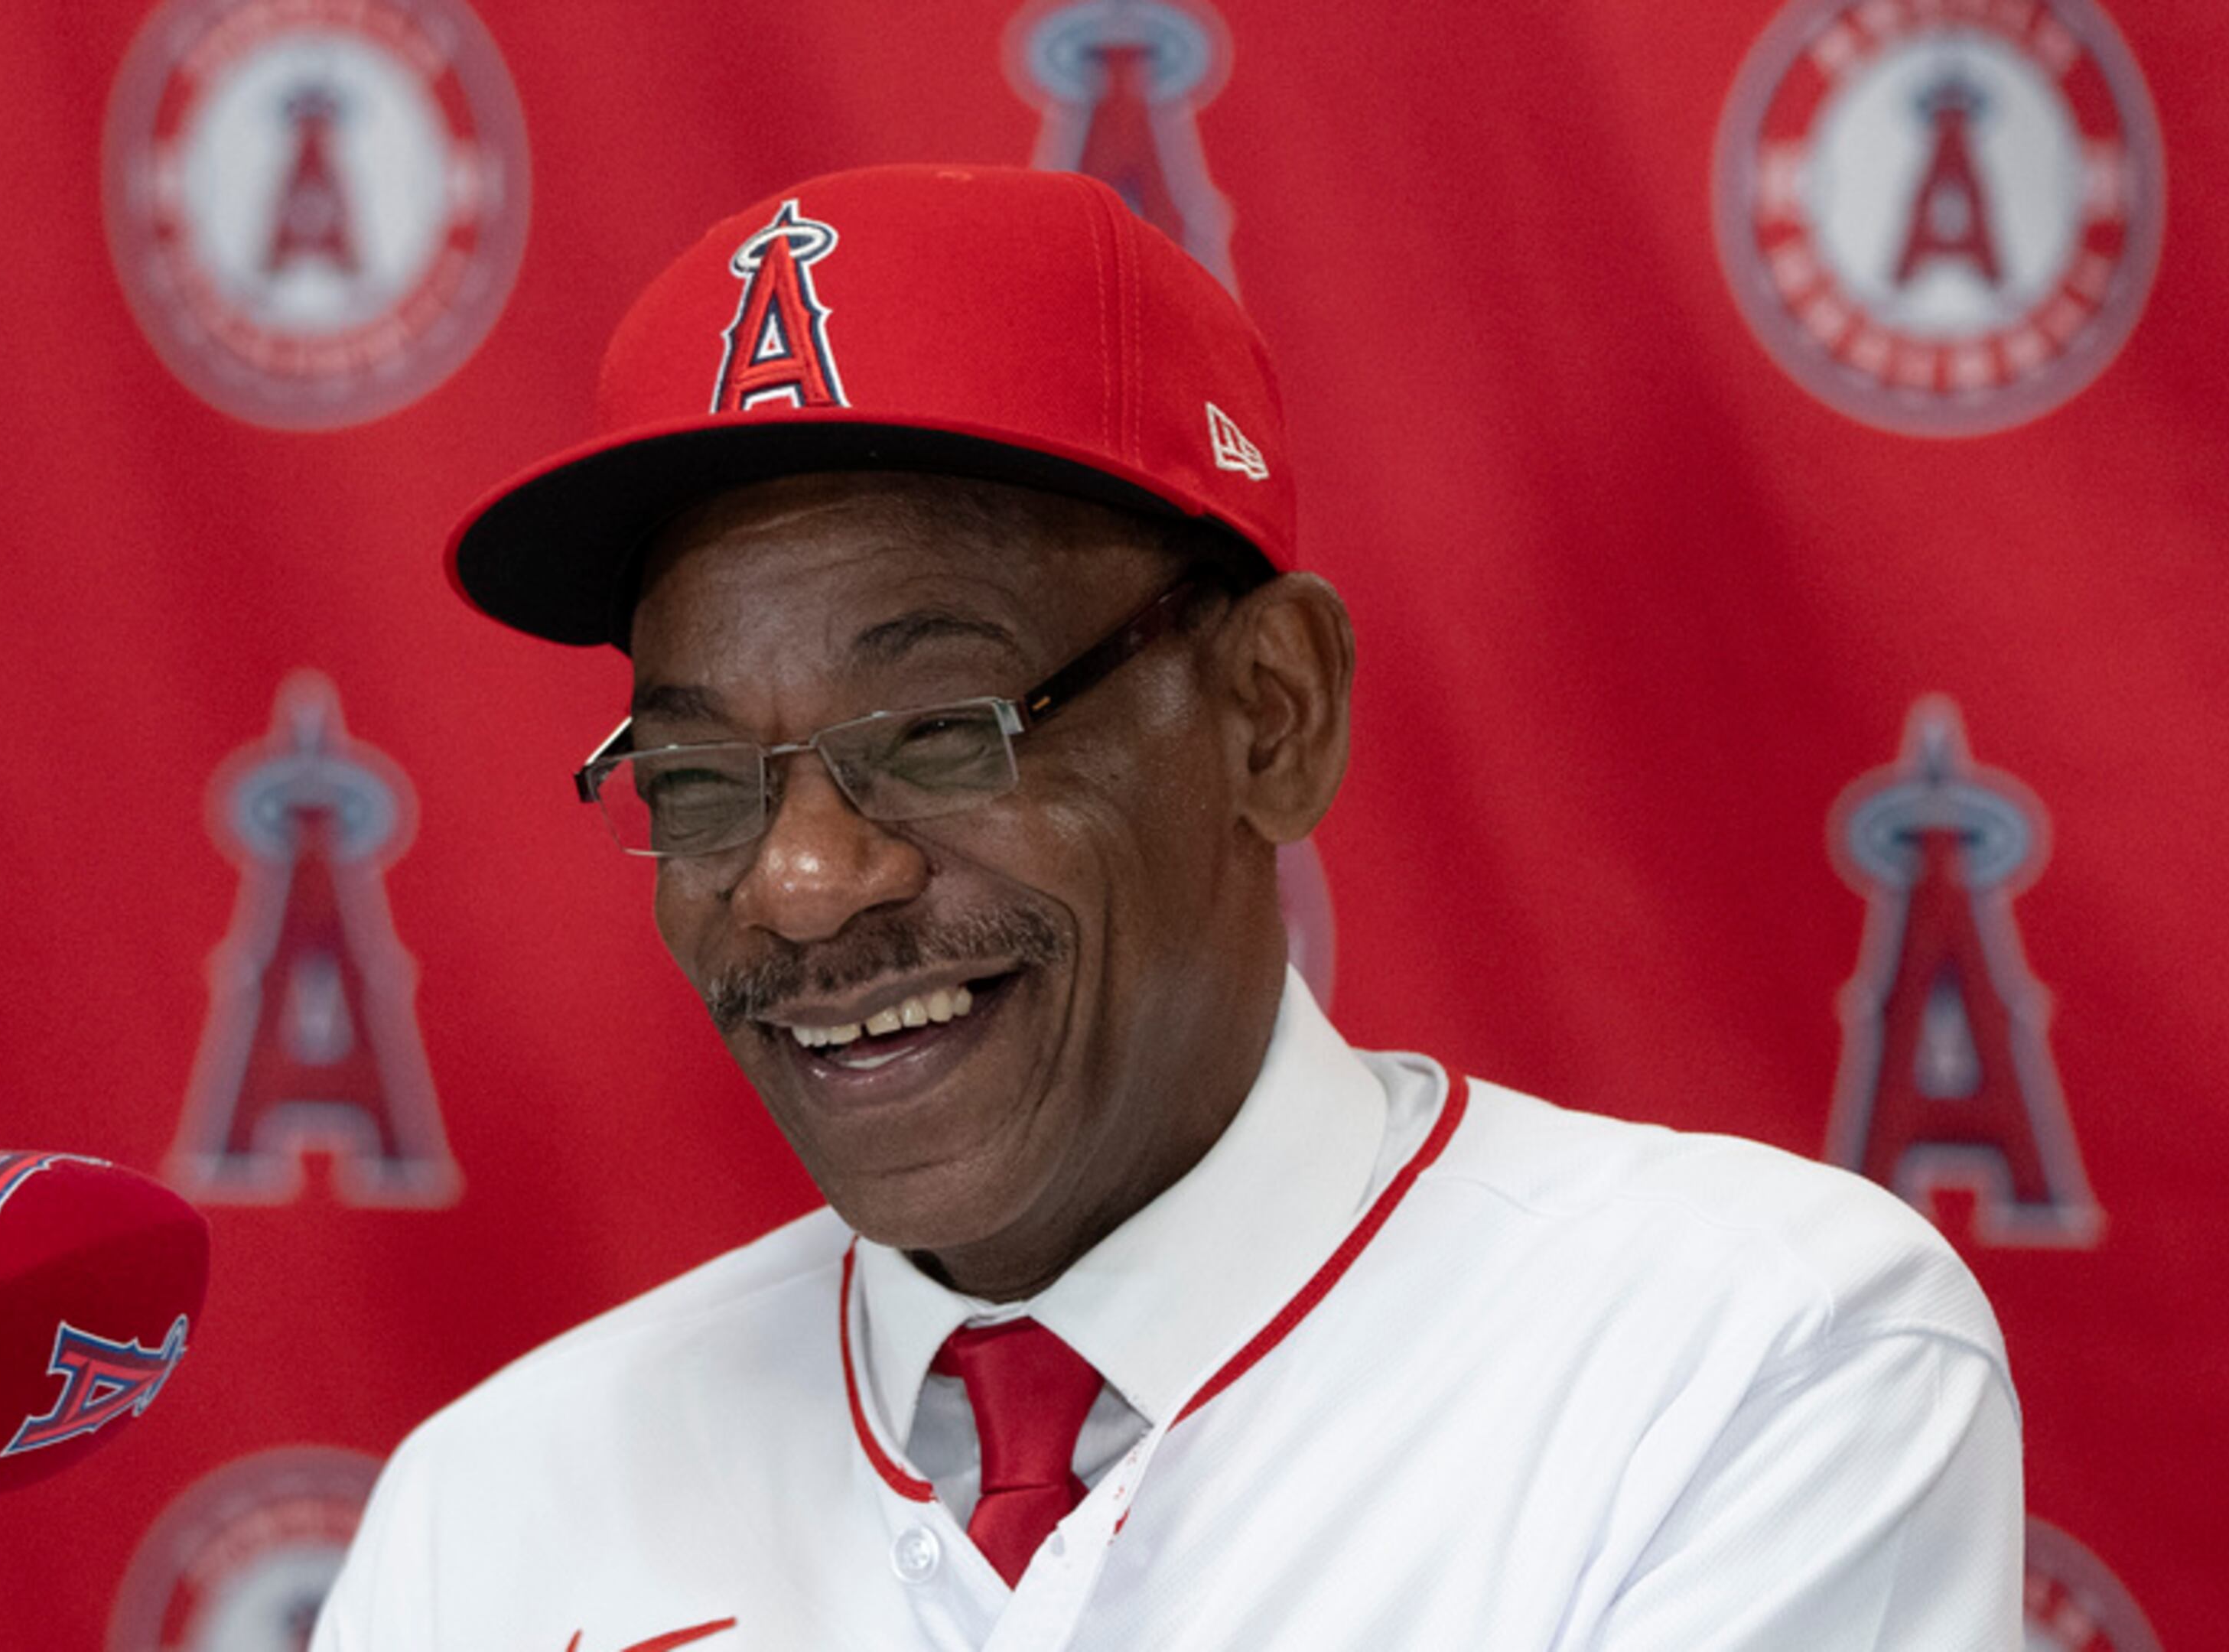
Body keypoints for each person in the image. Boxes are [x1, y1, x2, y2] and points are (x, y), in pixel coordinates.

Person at [313, 163, 2020, 1651]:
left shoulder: (1738, 1355)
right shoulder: (493, 1503)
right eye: (698, 777)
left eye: (934, 735)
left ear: (1273, 714)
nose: (805, 879)